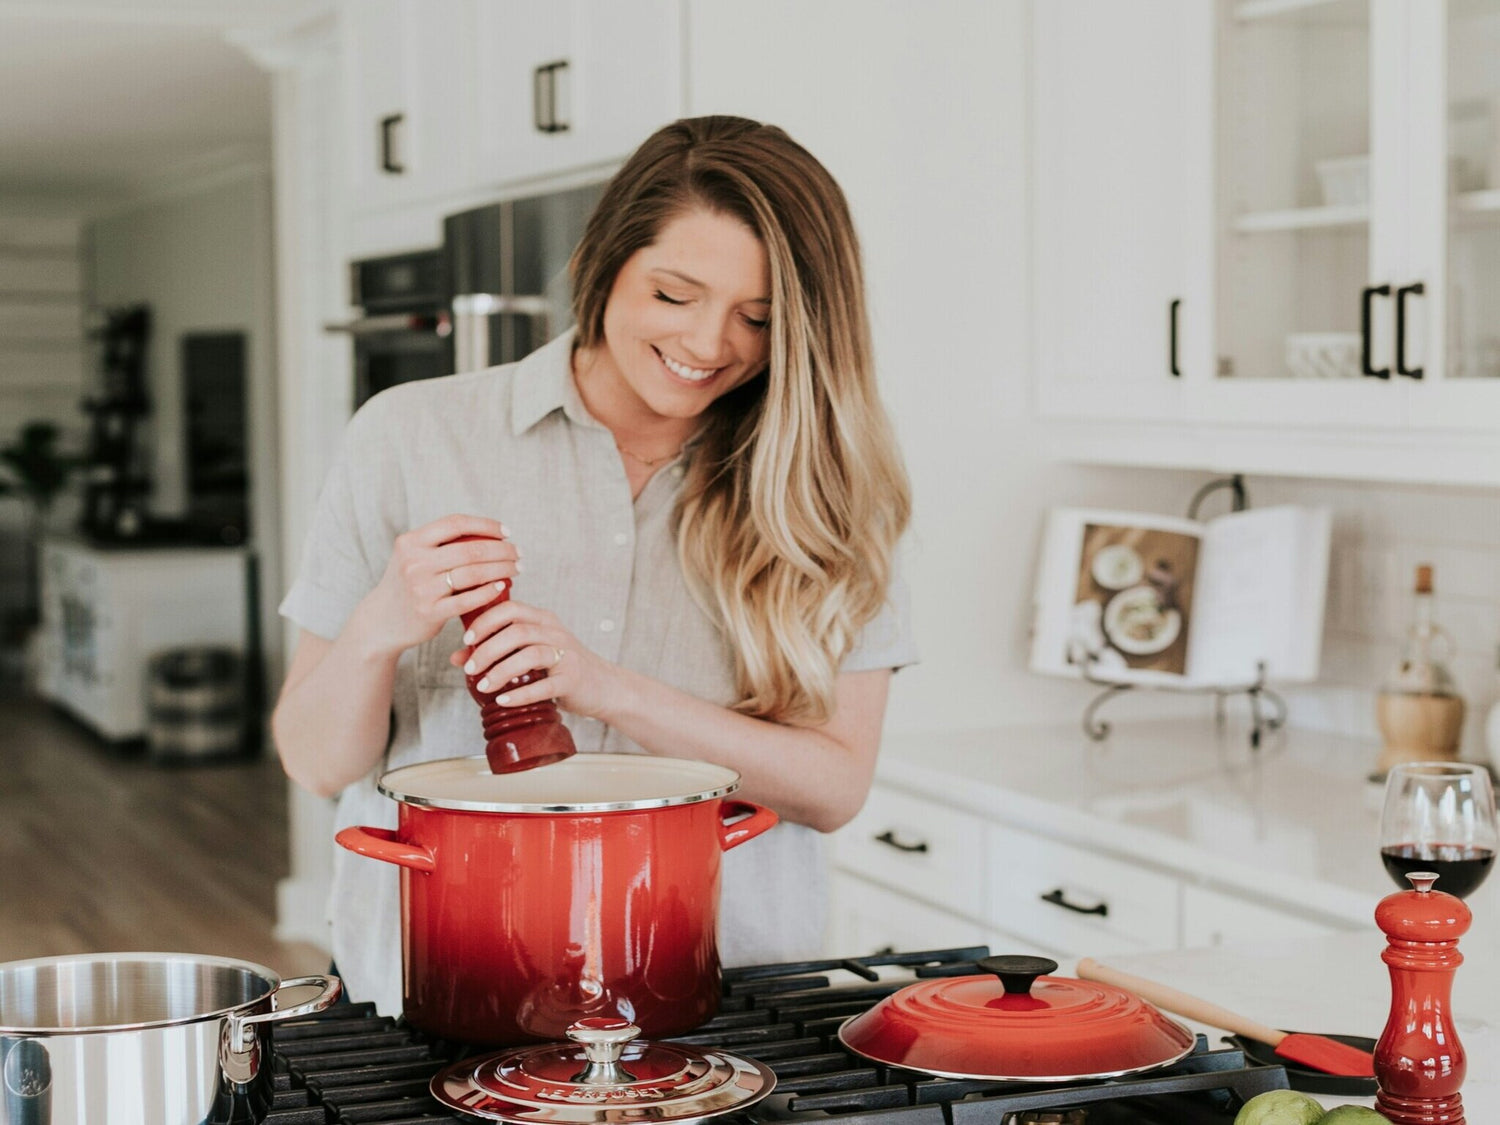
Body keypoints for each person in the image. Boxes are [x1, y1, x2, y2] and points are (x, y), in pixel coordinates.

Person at [272, 115, 916, 1016]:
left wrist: (607, 689)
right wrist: (379, 627)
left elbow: (836, 786)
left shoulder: (829, 490)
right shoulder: (410, 435)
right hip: (436, 992)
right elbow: (313, 759)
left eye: (758, 318)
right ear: (606, 262)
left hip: (720, 1005)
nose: (709, 343)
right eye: (674, 294)